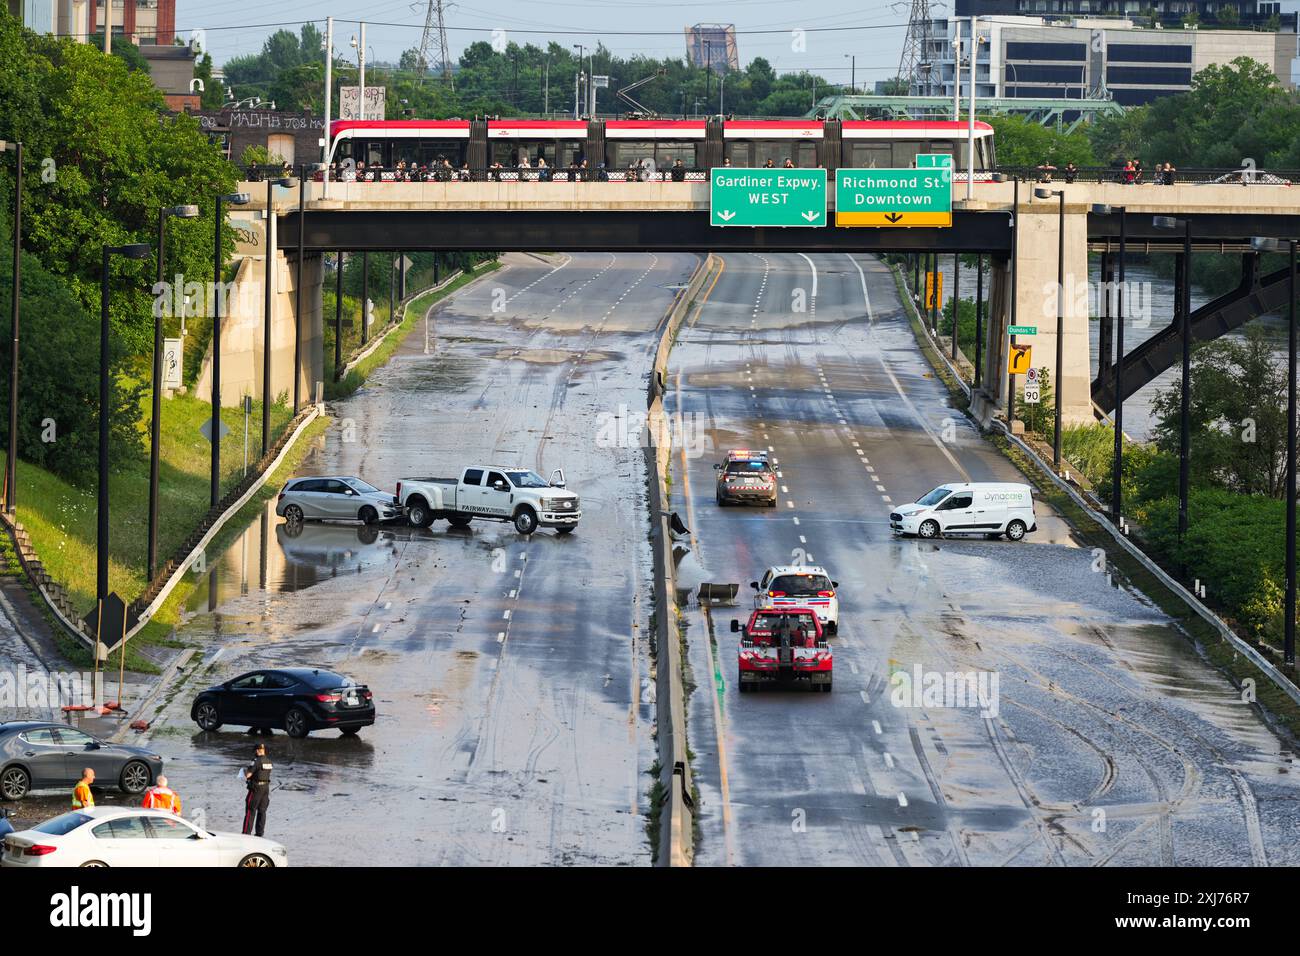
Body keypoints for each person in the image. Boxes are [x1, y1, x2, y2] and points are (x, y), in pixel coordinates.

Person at [242, 743, 273, 837]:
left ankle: (246, 834)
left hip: (255, 789)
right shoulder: (269, 761)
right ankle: (259, 834)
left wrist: (244, 770)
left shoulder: (256, 761)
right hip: (265, 789)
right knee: (262, 811)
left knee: (250, 811)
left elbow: (248, 775)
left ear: (257, 750)